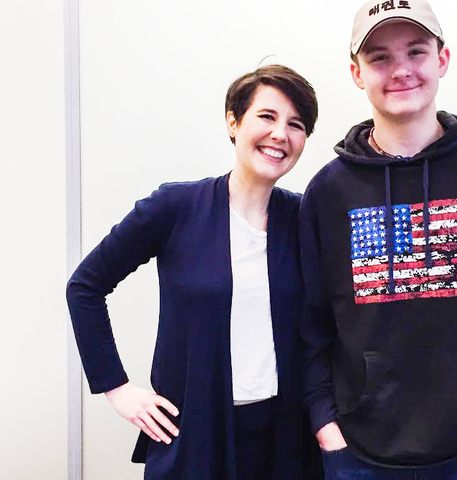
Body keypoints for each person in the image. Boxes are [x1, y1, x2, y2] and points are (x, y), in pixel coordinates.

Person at [299, 1, 457, 479]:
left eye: (415, 52)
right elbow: (309, 321)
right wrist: (324, 424)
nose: (400, 70)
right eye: (379, 57)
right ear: (356, 72)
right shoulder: (328, 192)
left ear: (441, 60)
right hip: (358, 456)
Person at [67, 64, 322, 479]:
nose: (281, 134)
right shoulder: (175, 207)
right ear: (233, 121)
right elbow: (85, 287)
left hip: (284, 441)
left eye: (296, 124)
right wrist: (116, 388)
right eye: (267, 116)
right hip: (194, 437)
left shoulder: (302, 217)